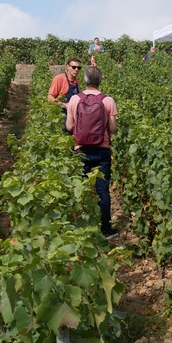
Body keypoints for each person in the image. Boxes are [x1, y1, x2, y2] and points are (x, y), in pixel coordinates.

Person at [65, 66, 119, 239]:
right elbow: (112, 128)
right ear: (100, 80)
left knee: (81, 188)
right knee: (102, 190)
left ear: (85, 80)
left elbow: (69, 126)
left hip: (81, 150)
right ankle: (105, 229)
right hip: (102, 150)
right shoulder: (108, 100)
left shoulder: (74, 99)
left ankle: (82, 228)